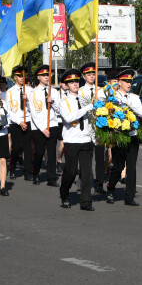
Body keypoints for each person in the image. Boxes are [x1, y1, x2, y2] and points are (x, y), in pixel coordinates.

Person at [105, 69, 142, 206]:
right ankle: (110, 189)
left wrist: (129, 105)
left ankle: (129, 197)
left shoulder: (134, 97)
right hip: (119, 136)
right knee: (118, 165)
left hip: (132, 135)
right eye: (126, 81)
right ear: (119, 82)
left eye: (130, 81)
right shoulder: (113, 97)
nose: (129, 84)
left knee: (131, 166)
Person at [58, 69, 95, 211]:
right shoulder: (64, 102)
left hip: (86, 139)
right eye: (71, 82)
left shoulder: (86, 99)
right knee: (71, 171)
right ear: (66, 85)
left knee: (86, 173)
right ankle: (64, 192)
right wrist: (87, 108)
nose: (75, 83)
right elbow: (68, 118)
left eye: (76, 81)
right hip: (72, 140)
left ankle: (86, 201)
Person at [78, 62, 106, 194]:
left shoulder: (101, 91)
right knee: (86, 158)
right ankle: (84, 181)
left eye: (93, 74)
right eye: (89, 74)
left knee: (100, 158)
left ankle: (99, 183)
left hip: (99, 128)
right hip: (86, 128)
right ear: (84, 76)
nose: (92, 76)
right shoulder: (80, 92)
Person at [30, 65, 60, 186]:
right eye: (43, 75)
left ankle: (51, 178)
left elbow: (59, 109)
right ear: (38, 77)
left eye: (48, 75)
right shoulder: (34, 92)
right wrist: (43, 128)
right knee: (39, 152)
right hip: (39, 126)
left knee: (52, 152)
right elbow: (33, 112)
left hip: (52, 124)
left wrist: (52, 102)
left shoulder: (54, 92)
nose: (46, 77)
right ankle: (36, 174)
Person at [6, 65, 32, 180]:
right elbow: (9, 111)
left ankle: (27, 172)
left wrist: (28, 100)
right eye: (20, 76)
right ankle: (12, 169)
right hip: (16, 122)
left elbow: (36, 109)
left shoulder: (30, 91)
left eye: (24, 76)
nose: (22, 78)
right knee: (16, 147)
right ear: (15, 77)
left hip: (28, 121)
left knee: (28, 148)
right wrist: (19, 121)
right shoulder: (10, 92)